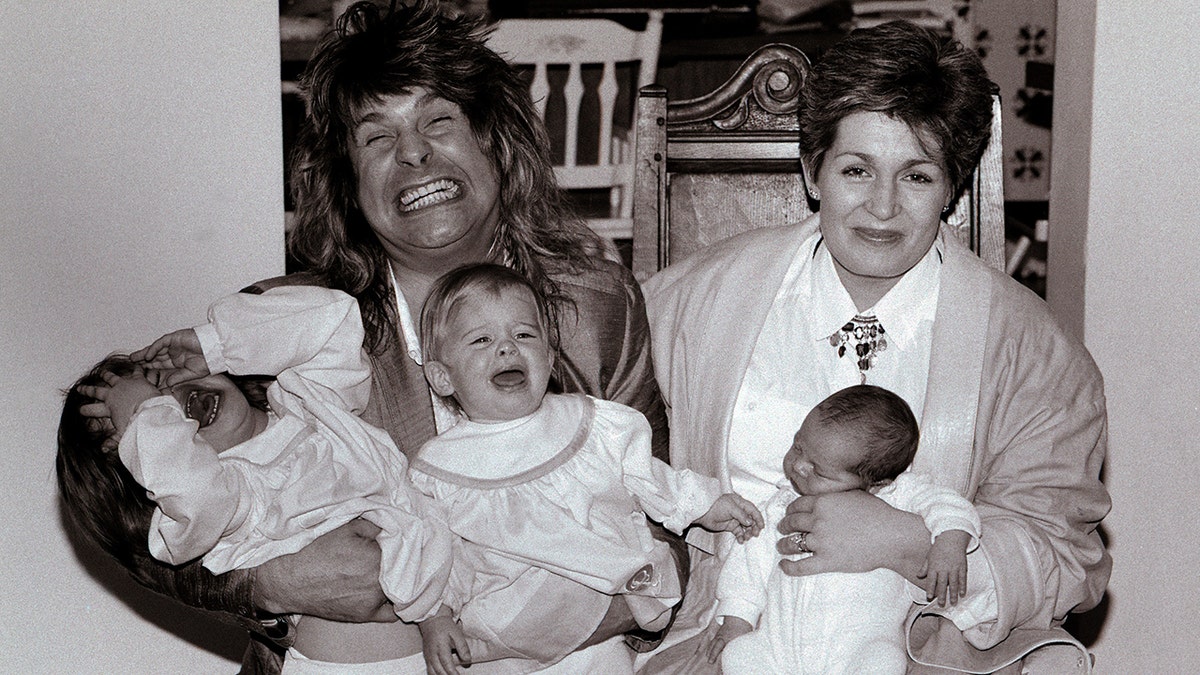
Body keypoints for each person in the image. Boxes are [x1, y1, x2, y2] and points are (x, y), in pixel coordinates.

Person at [59, 1, 682, 672]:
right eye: (376, 138)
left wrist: (536, 625)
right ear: (351, 187)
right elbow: (125, 502)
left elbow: (668, 526)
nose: (413, 152)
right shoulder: (282, 326)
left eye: (439, 120)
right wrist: (267, 582)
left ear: (495, 145)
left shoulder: (593, 306)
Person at [641, 20, 1111, 674]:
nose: (882, 208)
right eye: (857, 169)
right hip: (724, 645)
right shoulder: (689, 302)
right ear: (813, 171)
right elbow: (605, 448)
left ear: (954, 187)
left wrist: (912, 544)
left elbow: (1067, 551)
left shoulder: (1033, 352)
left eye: (916, 176)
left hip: (919, 651)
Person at [58, 285, 454, 673]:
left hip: (463, 638)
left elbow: (335, 322)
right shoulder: (226, 497)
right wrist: (149, 412)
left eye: (158, 380)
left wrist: (214, 345)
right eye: (146, 421)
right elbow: (196, 496)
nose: (171, 403)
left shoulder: (310, 403)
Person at [408, 263, 763, 674]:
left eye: (524, 335)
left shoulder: (590, 424)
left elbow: (646, 476)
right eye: (481, 340)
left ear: (549, 357)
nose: (506, 348)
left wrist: (705, 505)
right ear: (441, 377)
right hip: (501, 629)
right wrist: (434, 617)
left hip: (597, 604)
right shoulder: (439, 468)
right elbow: (433, 552)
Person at [706, 384, 979, 673]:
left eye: (818, 470)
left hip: (858, 648)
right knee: (740, 653)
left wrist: (950, 541)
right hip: (780, 645)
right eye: (798, 446)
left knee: (883, 662)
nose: (798, 466)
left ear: (877, 484)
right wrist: (737, 618)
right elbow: (749, 564)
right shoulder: (782, 504)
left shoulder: (897, 497)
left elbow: (950, 506)